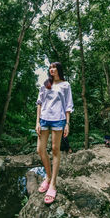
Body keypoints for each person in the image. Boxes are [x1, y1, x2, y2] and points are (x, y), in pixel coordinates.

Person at [36, 62, 74, 204]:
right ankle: (48, 175)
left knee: (55, 149)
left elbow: (68, 105)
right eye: (50, 67)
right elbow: (39, 103)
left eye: (54, 67)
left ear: (59, 69)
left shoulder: (65, 85)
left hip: (59, 120)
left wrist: (67, 124)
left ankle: (52, 184)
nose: (52, 69)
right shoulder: (46, 83)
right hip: (44, 119)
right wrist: (37, 122)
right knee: (40, 150)